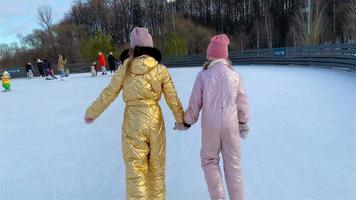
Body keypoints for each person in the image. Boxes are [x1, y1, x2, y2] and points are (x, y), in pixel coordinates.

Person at [84, 27, 185, 200]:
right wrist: (181, 119)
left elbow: (109, 92)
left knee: (135, 170)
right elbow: (172, 98)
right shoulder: (160, 69)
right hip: (155, 120)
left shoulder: (125, 68)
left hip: (133, 121)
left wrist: (92, 112)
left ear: (132, 48)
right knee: (157, 168)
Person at [183, 34, 250, 200]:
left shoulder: (203, 76)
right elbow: (241, 101)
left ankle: (219, 197)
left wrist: (187, 121)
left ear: (210, 56)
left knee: (209, 161)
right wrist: (243, 122)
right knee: (233, 164)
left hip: (210, 126)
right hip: (231, 124)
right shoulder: (234, 76)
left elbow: (195, 104)